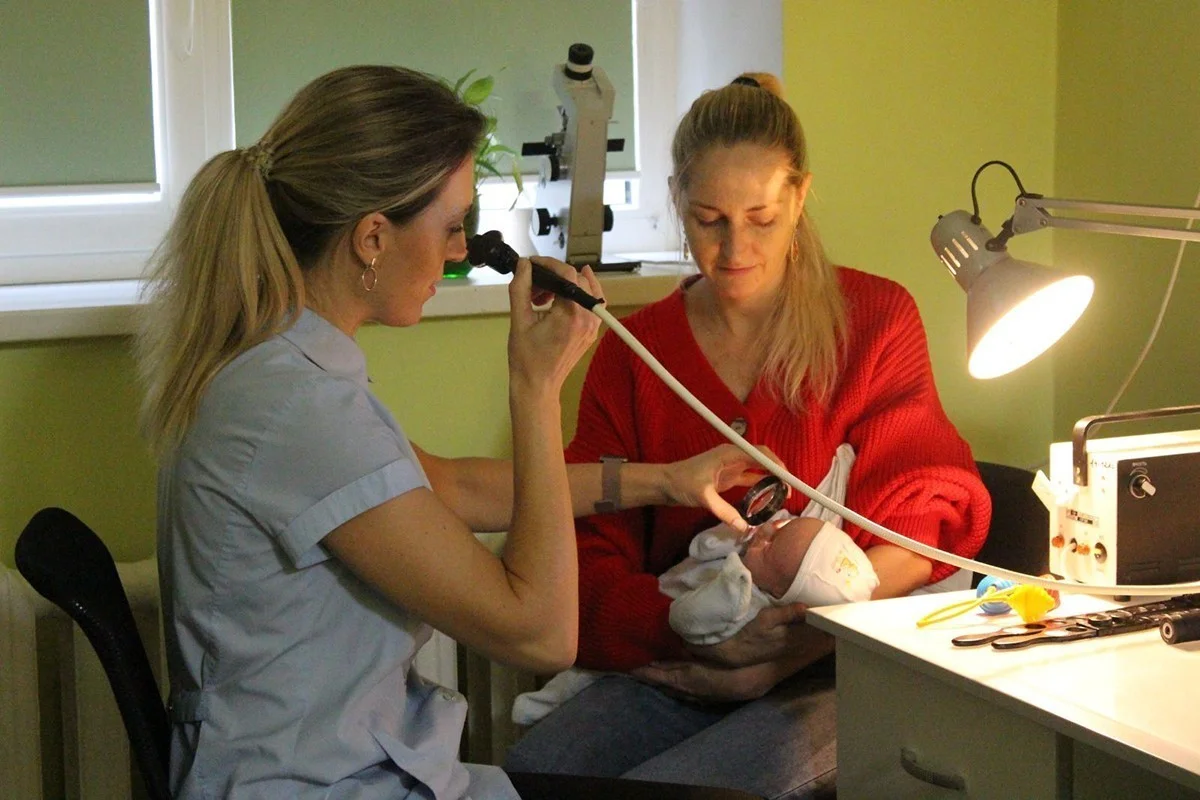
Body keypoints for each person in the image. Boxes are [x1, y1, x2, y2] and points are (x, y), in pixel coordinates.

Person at [134, 65, 777, 800]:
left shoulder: (282, 371)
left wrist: (664, 480)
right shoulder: (298, 411)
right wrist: (535, 389)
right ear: (372, 237)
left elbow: (452, 486)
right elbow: (541, 633)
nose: (460, 251)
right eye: (450, 226)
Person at [503, 72, 991, 798]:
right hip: (683, 655)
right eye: (709, 220)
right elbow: (586, 559)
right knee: (531, 775)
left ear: (800, 197)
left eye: (761, 219)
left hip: (835, 663)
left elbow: (919, 530)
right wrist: (694, 638)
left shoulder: (875, 321)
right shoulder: (634, 353)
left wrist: (788, 650)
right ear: (676, 199)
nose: (735, 249)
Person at [511, 444, 876, 726]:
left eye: (771, 544)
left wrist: (783, 659)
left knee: (579, 686)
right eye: (779, 528)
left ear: (780, 595)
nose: (766, 530)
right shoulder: (766, 543)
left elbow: (688, 619)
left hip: (772, 676)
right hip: (650, 641)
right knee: (542, 759)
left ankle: (541, 703)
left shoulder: (741, 598)